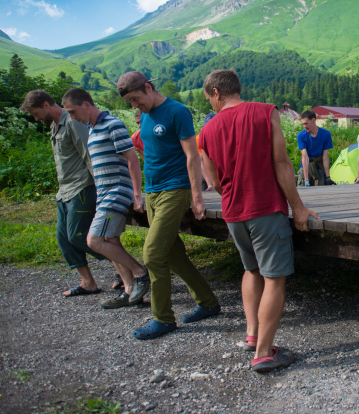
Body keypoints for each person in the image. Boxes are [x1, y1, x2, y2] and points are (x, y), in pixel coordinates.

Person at [198, 69, 318, 373]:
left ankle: (252, 335)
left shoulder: (207, 132)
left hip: (233, 212)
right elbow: (281, 163)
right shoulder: (266, 113)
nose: (210, 104)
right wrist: (298, 207)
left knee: (251, 270)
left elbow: (213, 181)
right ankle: (265, 353)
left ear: (216, 93)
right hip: (264, 208)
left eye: (208, 98)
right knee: (274, 278)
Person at [118, 71, 220, 340]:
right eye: (129, 101)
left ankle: (163, 319)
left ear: (148, 87)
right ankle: (208, 302)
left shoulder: (177, 111)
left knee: (152, 254)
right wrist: (139, 193)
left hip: (175, 190)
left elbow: (192, 156)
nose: (134, 106)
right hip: (152, 192)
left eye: (135, 98)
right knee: (173, 254)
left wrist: (197, 196)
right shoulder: (146, 115)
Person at [61, 88, 152, 308]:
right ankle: (129, 291)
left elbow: (132, 159)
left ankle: (140, 272)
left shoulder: (113, 123)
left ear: (86, 104)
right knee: (110, 240)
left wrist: (137, 194)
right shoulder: (91, 129)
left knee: (94, 240)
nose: (72, 117)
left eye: (73, 111)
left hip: (117, 190)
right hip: (103, 192)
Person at [20, 90, 105, 297]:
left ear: (46, 105)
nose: (36, 118)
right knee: (64, 239)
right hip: (64, 191)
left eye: (36, 112)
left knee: (78, 236)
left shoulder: (72, 121)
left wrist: (101, 189)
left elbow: (88, 154)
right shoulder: (54, 126)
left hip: (82, 187)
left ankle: (126, 267)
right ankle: (88, 283)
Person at [296, 110, 334, 186]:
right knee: (302, 184)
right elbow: (305, 157)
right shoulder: (301, 135)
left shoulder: (326, 134)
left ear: (313, 120)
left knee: (321, 185)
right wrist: (306, 179)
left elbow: (325, 157)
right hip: (307, 164)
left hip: (319, 164)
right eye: (303, 124)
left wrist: (328, 177)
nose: (304, 126)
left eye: (306, 124)